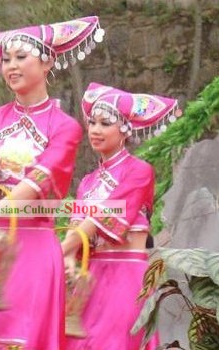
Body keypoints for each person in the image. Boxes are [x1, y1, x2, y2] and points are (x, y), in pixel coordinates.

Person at [0, 16, 105, 350]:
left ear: (48, 61)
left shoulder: (65, 127)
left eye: (21, 57)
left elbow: (39, 179)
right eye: (5, 60)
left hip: (34, 248)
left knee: (23, 339)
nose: (11, 66)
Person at [62, 82, 182, 350]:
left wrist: (61, 250)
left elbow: (103, 216)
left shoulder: (139, 171)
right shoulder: (87, 183)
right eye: (92, 122)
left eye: (105, 123)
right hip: (90, 277)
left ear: (125, 130)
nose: (95, 129)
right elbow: (76, 227)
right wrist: (68, 256)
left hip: (125, 277)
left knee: (116, 342)